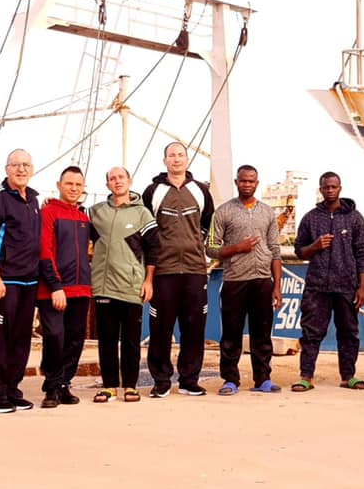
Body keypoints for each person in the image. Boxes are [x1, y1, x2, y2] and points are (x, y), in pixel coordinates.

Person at [142, 142, 215, 397]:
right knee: (160, 329)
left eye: (180, 155)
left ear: (187, 159)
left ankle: (188, 380)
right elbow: (146, 229)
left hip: (195, 270)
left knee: (194, 328)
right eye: (171, 155)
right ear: (165, 160)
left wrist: (196, 244)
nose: (176, 159)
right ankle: (161, 381)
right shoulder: (153, 191)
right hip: (164, 271)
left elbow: (207, 224)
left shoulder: (201, 191)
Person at [206, 165, 284, 395]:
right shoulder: (223, 212)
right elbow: (210, 247)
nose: (247, 184)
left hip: (262, 281)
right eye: (243, 181)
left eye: (251, 181)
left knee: (262, 334)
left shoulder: (268, 212)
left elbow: (275, 250)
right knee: (231, 334)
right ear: (236, 182)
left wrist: (276, 285)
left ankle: (263, 380)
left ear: (257, 183)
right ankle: (230, 380)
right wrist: (237, 248)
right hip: (234, 282)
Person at [0, 149, 42, 413]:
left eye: (26, 165)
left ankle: (11, 389)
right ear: (7, 168)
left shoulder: (34, 199)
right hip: (4, 280)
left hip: (29, 281)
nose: (21, 170)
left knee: (20, 338)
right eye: (16, 165)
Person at [291, 172, 364, 392]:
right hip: (317, 286)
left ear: (340, 188)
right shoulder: (310, 218)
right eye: (326, 187)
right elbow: (299, 251)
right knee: (311, 332)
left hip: (347, 285)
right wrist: (315, 246)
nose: (330, 190)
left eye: (333, 187)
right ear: (321, 189)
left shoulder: (355, 218)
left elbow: (362, 253)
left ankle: (348, 376)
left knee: (348, 332)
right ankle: (306, 376)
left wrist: (362, 286)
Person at [88, 166, 158, 403]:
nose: (117, 181)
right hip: (103, 286)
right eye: (112, 179)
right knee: (106, 339)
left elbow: (153, 249)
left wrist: (149, 281)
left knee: (130, 340)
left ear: (129, 181)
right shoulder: (95, 212)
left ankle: (130, 385)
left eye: (121, 177)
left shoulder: (143, 214)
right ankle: (108, 386)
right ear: (107, 185)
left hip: (132, 286)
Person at [35, 166, 93, 408]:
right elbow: (44, 250)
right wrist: (55, 285)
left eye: (78, 185)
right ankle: (51, 385)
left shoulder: (84, 218)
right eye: (69, 184)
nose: (74, 189)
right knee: (54, 337)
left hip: (81, 289)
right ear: (59, 185)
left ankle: (64, 384)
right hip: (54, 290)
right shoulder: (48, 212)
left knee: (74, 340)